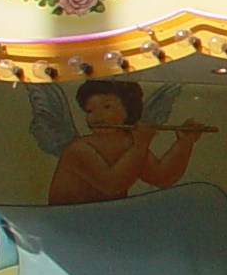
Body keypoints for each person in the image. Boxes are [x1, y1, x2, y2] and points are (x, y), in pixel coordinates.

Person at [49, 80, 214, 205]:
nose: (96, 116)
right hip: (69, 219)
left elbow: (161, 177)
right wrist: (141, 146)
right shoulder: (79, 149)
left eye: (106, 107)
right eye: (90, 110)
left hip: (104, 220)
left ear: (128, 110)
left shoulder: (128, 144)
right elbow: (111, 185)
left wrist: (184, 144)